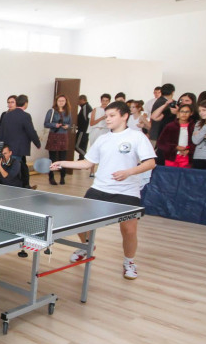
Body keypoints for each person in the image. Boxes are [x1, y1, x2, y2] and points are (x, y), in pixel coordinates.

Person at [51, 101, 156, 280]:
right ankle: (88, 246)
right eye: (107, 116)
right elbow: (88, 163)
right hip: (100, 188)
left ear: (124, 116)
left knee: (129, 230)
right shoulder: (103, 139)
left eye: (112, 115)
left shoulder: (137, 137)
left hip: (127, 190)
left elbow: (150, 162)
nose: (107, 119)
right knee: (78, 221)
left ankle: (129, 261)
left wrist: (128, 172)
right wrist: (63, 163)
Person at [0, 94, 41, 189]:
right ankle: (19, 188)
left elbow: (1, 132)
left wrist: (0, 148)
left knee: (12, 168)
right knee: (16, 170)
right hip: (18, 148)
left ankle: (22, 187)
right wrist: (37, 143)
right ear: (25, 104)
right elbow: (31, 131)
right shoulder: (25, 116)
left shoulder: (6, 115)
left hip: (7, 148)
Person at [44, 94, 72, 185]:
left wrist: (67, 126)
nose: (61, 102)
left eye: (63, 101)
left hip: (63, 136)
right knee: (52, 159)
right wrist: (55, 125)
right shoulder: (51, 111)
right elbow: (46, 123)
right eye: (59, 100)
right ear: (56, 101)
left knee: (63, 158)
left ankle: (62, 177)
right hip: (54, 135)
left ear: (65, 102)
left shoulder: (68, 111)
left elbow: (71, 124)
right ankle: (51, 177)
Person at [88, 94, 111, 177]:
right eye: (103, 100)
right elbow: (92, 122)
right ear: (101, 101)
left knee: (105, 151)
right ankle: (92, 171)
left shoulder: (111, 110)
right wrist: (102, 117)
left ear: (109, 101)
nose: (104, 102)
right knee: (94, 150)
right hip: (96, 130)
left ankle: (102, 171)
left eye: (106, 101)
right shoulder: (96, 109)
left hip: (105, 131)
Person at [76, 95, 92, 160]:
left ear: (82, 100)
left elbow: (86, 120)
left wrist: (78, 126)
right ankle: (81, 160)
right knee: (82, 147)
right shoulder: (85, 107)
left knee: (77, 146)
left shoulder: (86, 107)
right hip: (84, 131)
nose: (77, 102)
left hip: (83, 131)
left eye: (78, 100)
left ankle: (88, 158)